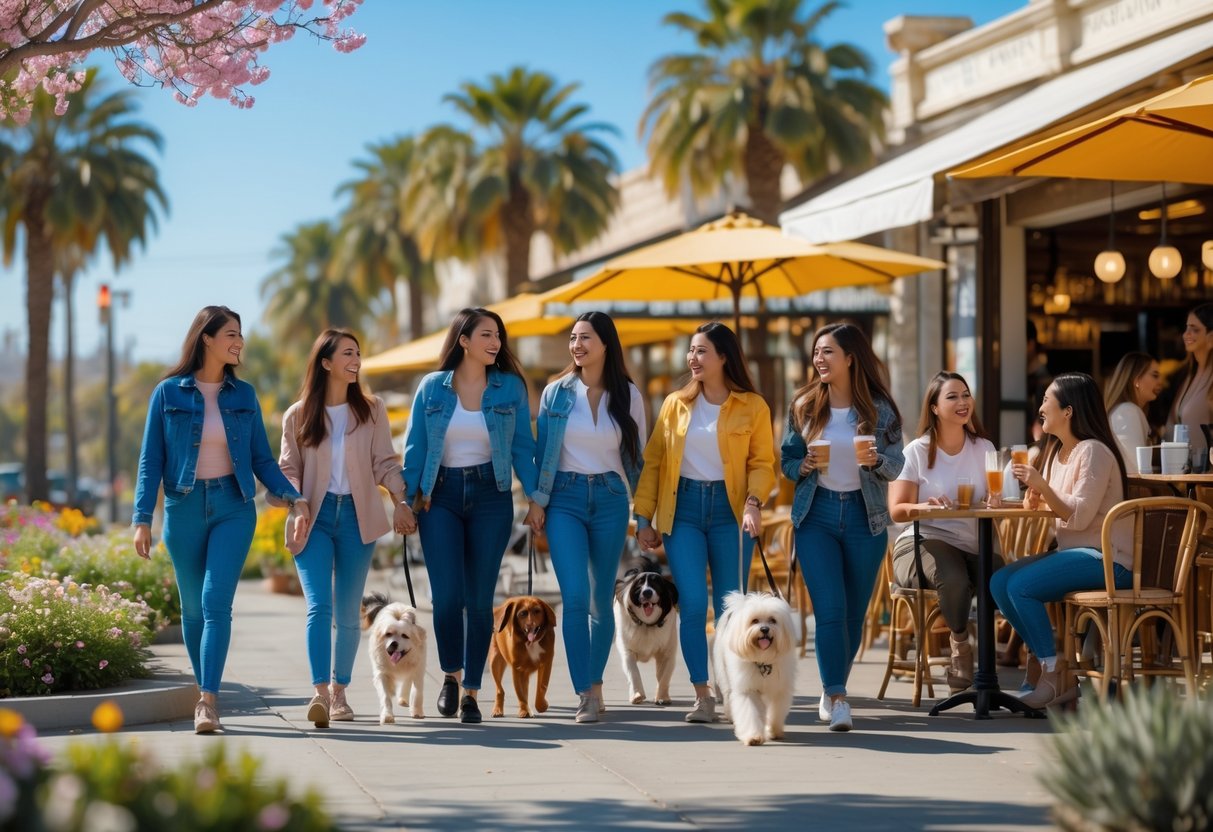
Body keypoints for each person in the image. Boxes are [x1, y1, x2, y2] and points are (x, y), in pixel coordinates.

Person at [133, 306, 309, 734]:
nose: (239, 341)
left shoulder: (243, 395)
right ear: (206, 338)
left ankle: (207, 701)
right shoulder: (168, 393)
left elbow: (262, 460)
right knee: (192, 611)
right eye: (231, 333)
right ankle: (204, 688)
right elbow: (150, 461)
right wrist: (141, 518)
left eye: (241, 334)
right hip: (183, 508)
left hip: (233, 506)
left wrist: (292, 496)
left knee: (215, 604)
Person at [398, 308, 542, 724]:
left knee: (480, 602)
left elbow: (522, 448)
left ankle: (472, 692)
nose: (495, 342)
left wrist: (535, 497)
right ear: (463, 340)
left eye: (498, 334)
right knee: (446, 598)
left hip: (491, 496)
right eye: (486, 334)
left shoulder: (510, 388)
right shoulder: (431, 389)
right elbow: (415, 450)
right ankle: (450, 674)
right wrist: (405, 500)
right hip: (438, 496)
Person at [634, 322, 774, 725]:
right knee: (693, 604)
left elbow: (762, 463)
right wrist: (643, 517)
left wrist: (753, 503)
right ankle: (702, 693)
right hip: (684, 511)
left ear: (724, 357)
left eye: (701, 351)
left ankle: (734, 689)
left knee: (731, 608)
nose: (692, 358)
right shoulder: (675, 404)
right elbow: (654, 464)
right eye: (690, 351)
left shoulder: (753, 406)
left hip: (732, 512)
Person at [276, 329, 409, 728]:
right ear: (326, 362)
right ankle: (319, 693)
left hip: (357, 517)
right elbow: (288, 469)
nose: (356, 360)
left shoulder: (372, 409)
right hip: (312, 519)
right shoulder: (298, 414)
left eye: (358, 354)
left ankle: (339, 693)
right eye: (347, 353)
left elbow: (385, 461)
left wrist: (401, 500)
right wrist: (295, 503)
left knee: (349, 613)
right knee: (319, 606)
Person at [781, 322, 903, 732]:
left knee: (854, 614)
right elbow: (787, 462)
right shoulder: (803, 406)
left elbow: (897, 462)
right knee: (829, 610)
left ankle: (833, 684)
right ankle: (837, 696)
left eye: (828, 351)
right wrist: (803, 466)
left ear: (851, 358)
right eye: (816, 352)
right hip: (815, 517)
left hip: (863, 516)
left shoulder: (880, 410)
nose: (819, 359)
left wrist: (877, 463)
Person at [992, 372, 1131, 709]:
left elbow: (1080, 517)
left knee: (1020, 587)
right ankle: (1047, 663)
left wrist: (1042, 487)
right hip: (1075, 554)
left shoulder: (1093, 451)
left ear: (1068, 411)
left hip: (1107, 559)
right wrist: (1033, 497)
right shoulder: (1058, 452)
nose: (1040, 408)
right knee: (999, 582)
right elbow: (1055, 514)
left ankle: (1054, 674)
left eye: (1046, 401)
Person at [533, 312, 646, 723]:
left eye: (585, 338)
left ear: (605, 344)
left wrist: (645, 516)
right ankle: (584, 691)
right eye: (573, 338)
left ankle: (595, 684)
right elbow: (543, 453)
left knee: (602, 600)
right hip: (565, 498)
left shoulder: (629, 395)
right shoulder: (555, 394)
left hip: (613, 499)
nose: (576, 345)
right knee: (576, 597)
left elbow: (638, 460)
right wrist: (537, 501)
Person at [888, 372, 998, 693]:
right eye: (952, 397)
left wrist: (995, 499)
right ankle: (960, 648)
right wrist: (927, 507)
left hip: (970, 543)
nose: (962, 402)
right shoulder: (917, 451)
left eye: (966, 395)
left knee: (1008, 579)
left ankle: (1037, 662)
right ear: (934, 407)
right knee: (954, 578)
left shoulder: (984, 448)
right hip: (919, 543)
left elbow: (997, 495)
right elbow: (897, 510)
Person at [1166, 303, 1213, 460]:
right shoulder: (1187, 376)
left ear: (1211, 336)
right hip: (1189, 473)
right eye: (1187, 328)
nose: (1186, 334)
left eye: (1195, 329)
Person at [1103, 352, 1162, 473]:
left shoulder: (1122, 410)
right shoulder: (1128, 412)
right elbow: (1138, 469)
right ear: (1137, 380)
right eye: (1155, 375)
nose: (1160, 381)